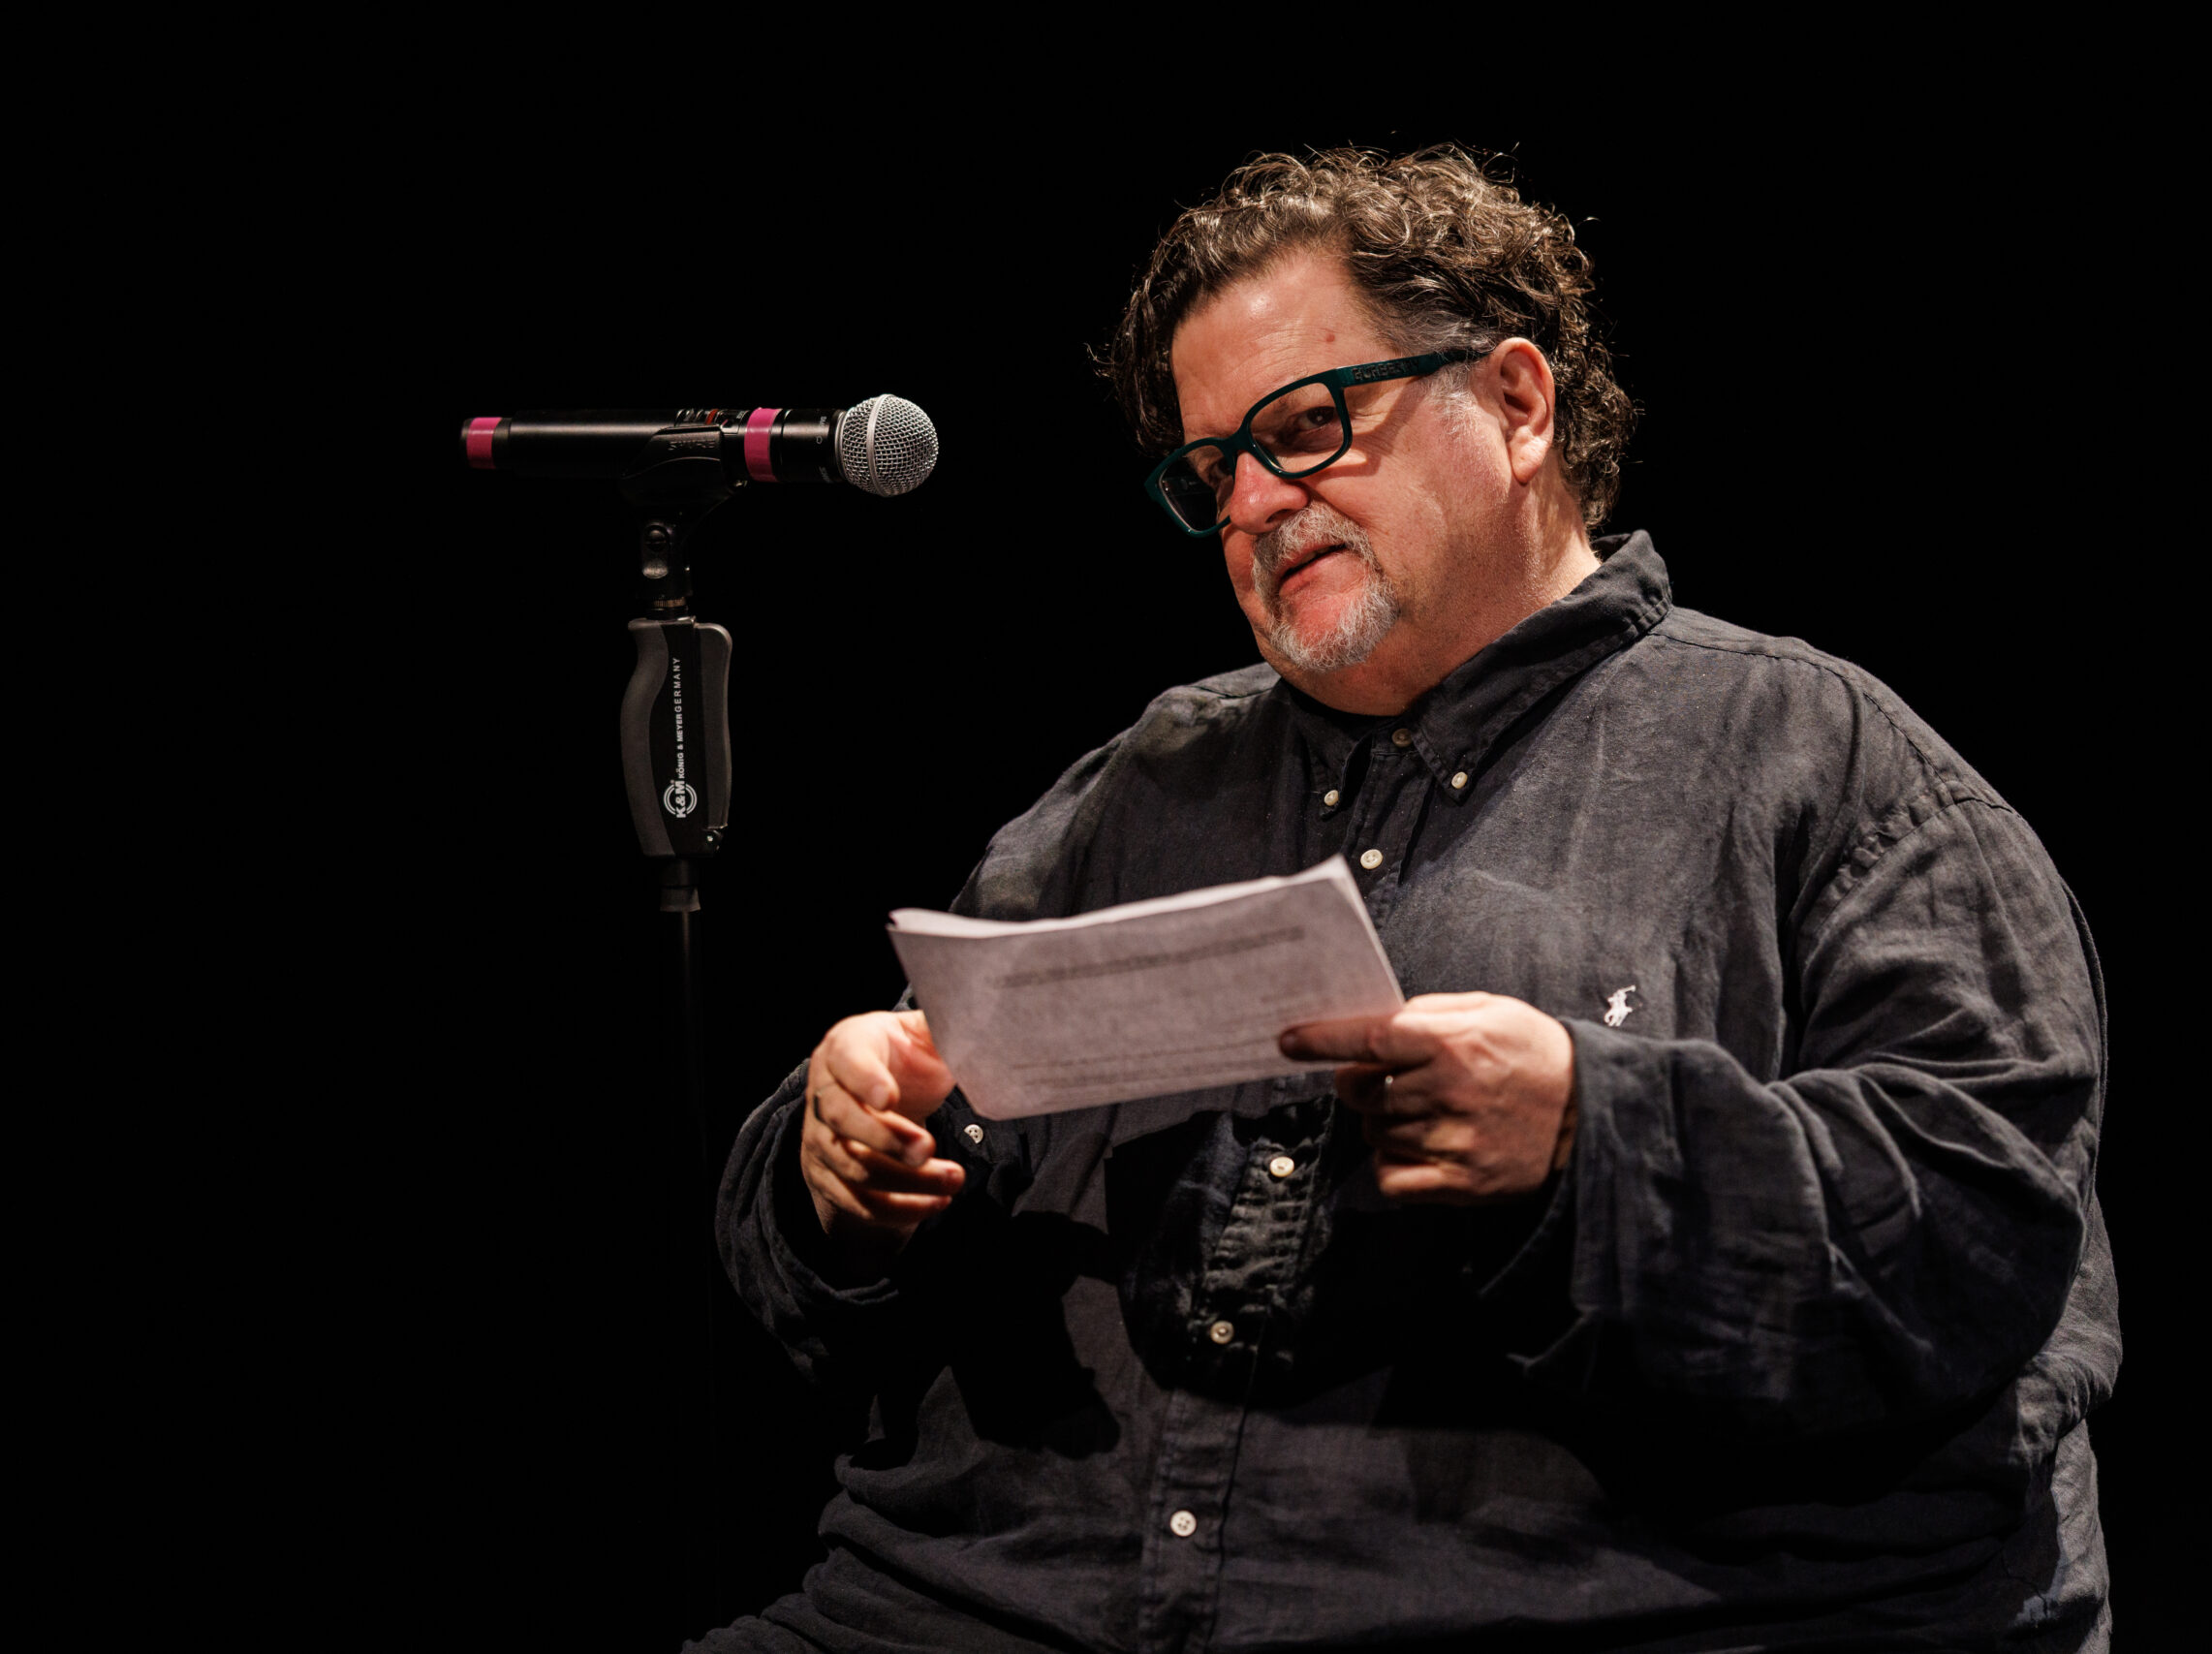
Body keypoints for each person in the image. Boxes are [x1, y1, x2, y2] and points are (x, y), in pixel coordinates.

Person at [701, 147, 2117, 1653]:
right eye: (1211, 469)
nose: (1253, 501)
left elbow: (1985, 1243)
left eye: (1306, 428)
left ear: (1516, 403)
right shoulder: (1142, 787)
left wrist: (1589, 1143)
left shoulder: (1818, 765)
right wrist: (830, 1165)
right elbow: (820, 1258)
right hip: (978, 1603)